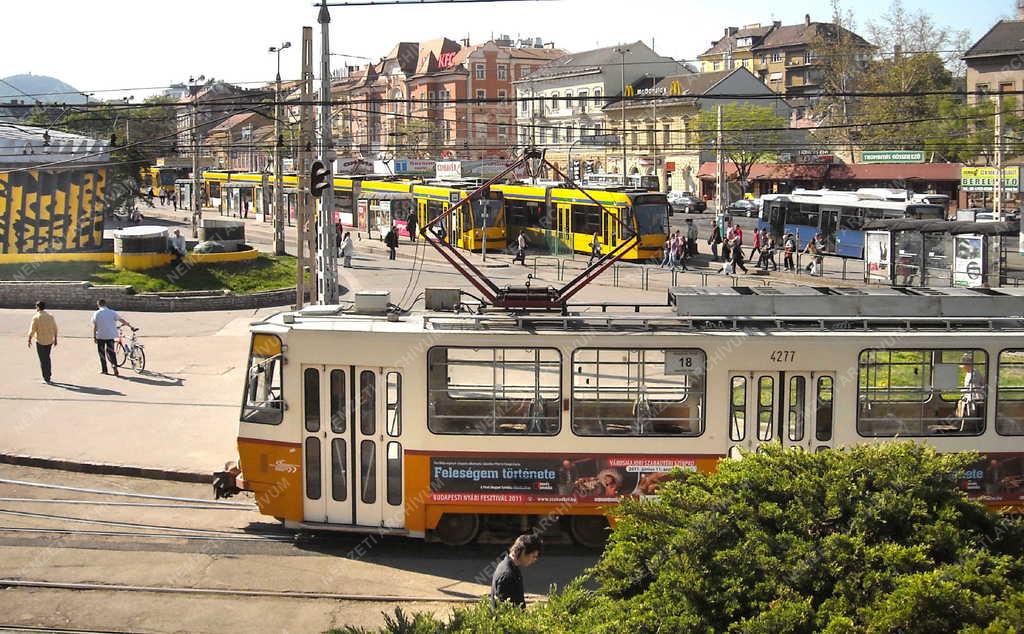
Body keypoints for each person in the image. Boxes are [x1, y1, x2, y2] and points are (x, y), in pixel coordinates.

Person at [491, 533, 542, 609]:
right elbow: (505, 610)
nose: (534, 560)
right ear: (523, 552)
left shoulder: (510, 567)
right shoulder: (507, 575)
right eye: (534, 556)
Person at [92, 299, 133, 377]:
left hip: (101, 336)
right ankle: (114, 366)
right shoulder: (112, 312)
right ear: (105, 304)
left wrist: (94, 336)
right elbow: (121, 320)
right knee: (111, 352)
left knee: (102, 353)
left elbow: (95, 326)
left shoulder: (96, 313)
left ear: (98, 305)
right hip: (110, 336)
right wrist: (130, 326)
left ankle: (104, 370)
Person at [27, 301, 58, 384]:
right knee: (47, 358)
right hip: (49, 340)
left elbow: (32, 329)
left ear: (38, 307)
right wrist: (55, 339)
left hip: (40, 341)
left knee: (43, 360)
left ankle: (46, 377)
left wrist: (29, 339)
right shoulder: (50, 316)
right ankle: (48, 375)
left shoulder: (36, 317)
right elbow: (55, 328)